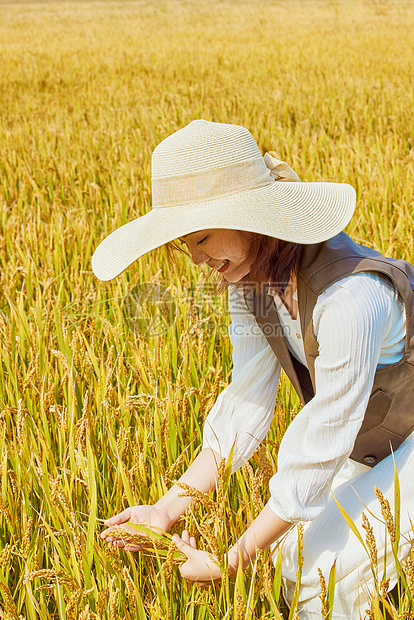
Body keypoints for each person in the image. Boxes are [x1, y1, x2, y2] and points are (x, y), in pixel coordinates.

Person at [92, 120, 414, 619]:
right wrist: (166, 509)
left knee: (315, 576)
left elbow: (325, 440)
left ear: (250, 217)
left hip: (401, 438)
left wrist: (232, 560)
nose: (197, 259)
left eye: (201, 238)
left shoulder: (351, 299)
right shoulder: (250, 282)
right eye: (186, 246)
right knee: (290, 555)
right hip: (374, 441)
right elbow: (244, 406)